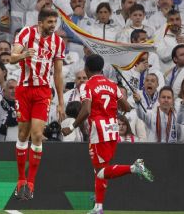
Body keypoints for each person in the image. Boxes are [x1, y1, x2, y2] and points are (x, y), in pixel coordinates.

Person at [61, 54, 153, 214]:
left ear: (87, 69)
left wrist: (72, 126)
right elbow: (125, 107)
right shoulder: (112, 85)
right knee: (100, 170)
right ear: (102, 69)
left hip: (98, 130)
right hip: (112, 129)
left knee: (101, 171)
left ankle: (134, 168)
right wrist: (115, 107)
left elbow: (86, 109)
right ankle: (99, 207)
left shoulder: (87, 86)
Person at [10, 8, 66, 200]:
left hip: (43, 92)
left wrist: (61, 101)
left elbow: (58, 73)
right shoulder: (26, 33)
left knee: (37, 134)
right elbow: (12, 58)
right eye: (50, 22)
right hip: (24, 90)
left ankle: (31, 184)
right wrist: (24, 54)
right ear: (40, 22)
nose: (53, 26)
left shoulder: (58, 42)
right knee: (22, 134)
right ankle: (20, 180)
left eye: (54, 22)